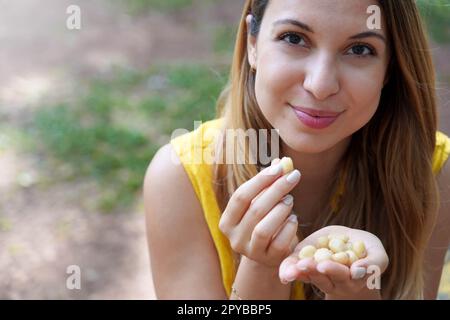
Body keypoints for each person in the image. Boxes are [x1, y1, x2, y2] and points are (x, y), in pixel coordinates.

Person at [144, 0, 450, 299]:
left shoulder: (432, 172)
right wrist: (262, 265)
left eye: (360, 49)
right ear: (253, 42)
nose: (320, 84)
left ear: (389, 69)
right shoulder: (180, 177)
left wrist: (358, 294)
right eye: (294, 38)